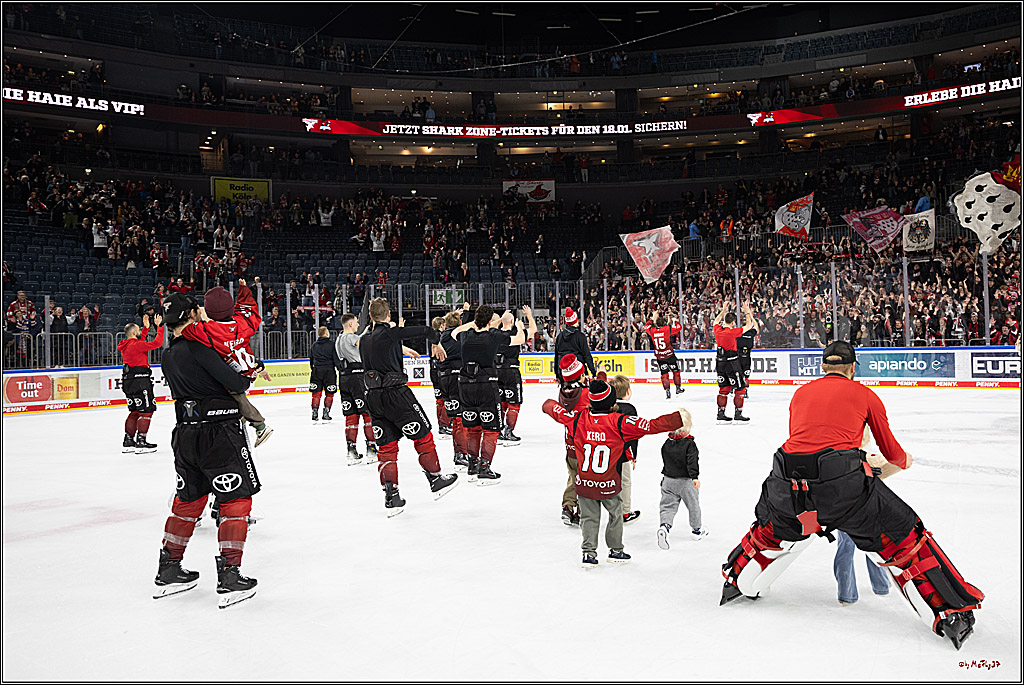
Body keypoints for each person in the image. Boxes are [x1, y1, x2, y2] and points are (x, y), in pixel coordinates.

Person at [720, 341, 984, 650]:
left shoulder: (801, 393)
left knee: (773, 529)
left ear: (823, 366)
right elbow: (891, 452)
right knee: (904, 535)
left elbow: (806, 443)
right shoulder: (865, 394)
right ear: (853, 368)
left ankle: (738, 579)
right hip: (844, 492)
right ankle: (949, 612)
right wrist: (904, 461)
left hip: (786, 486)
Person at [153, 292, 259, 609]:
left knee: (188, 500)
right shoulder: (199, 347)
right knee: (236, 499)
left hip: (185, 433)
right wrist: (248, 371)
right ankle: (230, 575)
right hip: (219, 432)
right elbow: (237, 384)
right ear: (191, 315)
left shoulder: (168, 353)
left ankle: (169, 568)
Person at [542, 379, 686, 568]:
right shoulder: (619, 422)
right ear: (611, 402)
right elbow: (651, 426)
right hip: (608, 483)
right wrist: (677, 418)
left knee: (589, 518)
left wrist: (548, 404)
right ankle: (615, 550)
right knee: (616, 515)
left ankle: (588, 554)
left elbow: (555, 410)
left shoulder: (578, 419)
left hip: (585, 484)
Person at [360, 297, 458, 516]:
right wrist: (436, 343)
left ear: (371, 316)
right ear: (389, 315)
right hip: (396, 394)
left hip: (373, 398)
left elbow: (378, 349)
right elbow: (426, 330)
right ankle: (436, 479)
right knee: (423, 435)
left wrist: (399, 347)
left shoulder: (364, 339)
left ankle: (391, 496)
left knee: (386, 448)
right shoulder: (390, 333)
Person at [180, 281, 274, 447]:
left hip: (231, 373)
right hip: (246, 369)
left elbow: (186, 330)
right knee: (235, 398)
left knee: (237, 397)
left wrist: (200, 315)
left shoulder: (208, 330)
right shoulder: (243, 323)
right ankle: (241, 416)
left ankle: (260, 426)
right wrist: (243, 290)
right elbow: (249, 309)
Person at [449, 305, 511, 485]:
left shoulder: (465, 335)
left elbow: (454, 332)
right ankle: (484, 468)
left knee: (473, 428)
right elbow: (517, 338)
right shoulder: (493, 336)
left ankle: (472, 465)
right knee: (491, 429)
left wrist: (474, 323)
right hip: (486, 386)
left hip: (465, 387)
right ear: (490, 321)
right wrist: (505, 322)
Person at [657, 408, 708, 550]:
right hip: (685, 481)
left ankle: (664, 526)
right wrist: (694, 477)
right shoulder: (689, 444)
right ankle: (697, 530)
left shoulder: (666, 444)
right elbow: (692, 461)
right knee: (693, 505)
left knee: (667, 506)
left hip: (668, 480)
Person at [116, 312, 165, 453]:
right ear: (134, 332)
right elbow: (157, 343)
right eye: (139, 330)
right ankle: (141, 442)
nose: (140, 331)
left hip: (128, 381)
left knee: (134, 412)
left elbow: (139, 343)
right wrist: (159, 327)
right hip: (140, 381)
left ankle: (128, 440)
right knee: (147, 411)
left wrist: (146, 328)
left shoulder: (126, 345)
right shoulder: (136, 345)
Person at [335, 313, 377, 464]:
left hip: (344, 378)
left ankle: (351, 450)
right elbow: (362, 342)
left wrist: (364, 332)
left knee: (351, 415)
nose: (358, 325)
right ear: (351, 324)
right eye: (357, 322)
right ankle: (371, 449)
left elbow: (357, 340)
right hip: (357, 377)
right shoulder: (351, 338)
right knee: (367, 413)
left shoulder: (339, 339)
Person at [496, 306, 536, 445]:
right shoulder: (516, 333)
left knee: (501, 402)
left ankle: (498, 431)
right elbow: (533, 330)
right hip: (511, 371)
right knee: (514, 403)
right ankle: (509, 431)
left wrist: (501, 319)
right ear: (513, 321)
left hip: (496, 372)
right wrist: (528, 316)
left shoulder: (495, 334)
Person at [556, 355, 588, 527]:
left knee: (573, 475)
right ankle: (582, 511)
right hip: (585, 446)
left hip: (570, 444)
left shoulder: (562, 393)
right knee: (585, 478)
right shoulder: (586, 394)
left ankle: (568, 506)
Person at [438, 308, 471, 471]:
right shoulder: (460, 336)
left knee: (456, 419)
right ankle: (462, 454)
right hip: (457, 378)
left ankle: (459, 453)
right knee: (461, 419)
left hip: (444, 378)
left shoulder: (441, 336)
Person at [712, 301, 755, 423]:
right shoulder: (732, 332)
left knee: (723, 388)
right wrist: (747, 312)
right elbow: (749, 326)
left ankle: (721, 413)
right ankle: (738, 413)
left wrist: (723, 310)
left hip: (720, 362)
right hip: (732, 363)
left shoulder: (718, 330)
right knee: (740, 387)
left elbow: (715, 321)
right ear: (732, 323)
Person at [608, 375, 640, 524]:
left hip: (607, 452)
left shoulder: (607, 407)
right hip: (623, 453)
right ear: (628, 392)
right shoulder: (630, 409)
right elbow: (633, 434)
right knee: (625, 482)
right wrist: (633, 456)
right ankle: (625, 512)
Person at [642, 313, 684, 399]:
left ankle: (667, 391)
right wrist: (675, 321)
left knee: (664, 374)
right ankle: (678, 388)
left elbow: (646, 326)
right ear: (664, 323)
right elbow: (679, 327)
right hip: (669, 355)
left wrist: (652, 319)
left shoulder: (653, 330)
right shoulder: (667, 329)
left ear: (656, 324)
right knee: (676, 372)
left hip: (660, 357)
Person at [554, 307, 596, 383]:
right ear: (575, 320)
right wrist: (593, 372)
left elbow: (556, 357)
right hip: (578, 370)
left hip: (564, 371)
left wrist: (557, 374)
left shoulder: (559, 336)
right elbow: (587, 355)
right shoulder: (580, 336)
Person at [309, 326, 341, 423]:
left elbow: (311, 359)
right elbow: (336, 359)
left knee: (316, 394)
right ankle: (326, 412)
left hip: (316, 371)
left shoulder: (314, 345)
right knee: (329, 393)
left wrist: (313, 369)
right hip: (329, 372)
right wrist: (340, 369)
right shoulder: (332, 345)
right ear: (326, 333)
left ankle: (314, 412)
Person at [428, 316, 452, 437]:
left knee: (439, 399)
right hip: (439, 369)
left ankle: (442, 424)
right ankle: (444, 425)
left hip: (433, 369)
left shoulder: (431, 335)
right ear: (442, 325)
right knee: (444, 398)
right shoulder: (439, 336)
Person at [736, 322, 757, 399]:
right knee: (742, 375)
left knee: (743, 375)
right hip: (743, 357)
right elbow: (756, 328)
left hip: (742, 357)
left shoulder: (738, 332)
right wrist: (750, 316)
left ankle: (743, 390)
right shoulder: (740, 332)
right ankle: (741, 389)